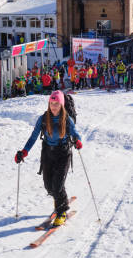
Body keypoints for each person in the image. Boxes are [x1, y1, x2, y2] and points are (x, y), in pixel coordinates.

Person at [15, 91, 83, 226]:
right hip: (47, 153)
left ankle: (62, 211)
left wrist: (77, 140)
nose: (53, 106)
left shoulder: (66, 119)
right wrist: (24, 152)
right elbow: (33, 137)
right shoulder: (43, 118)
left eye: (56, 103)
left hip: (63, 154)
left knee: (57, 185)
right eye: (51, 103)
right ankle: (59, 198)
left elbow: (75, 133)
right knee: (49, 186)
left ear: (62, 104)